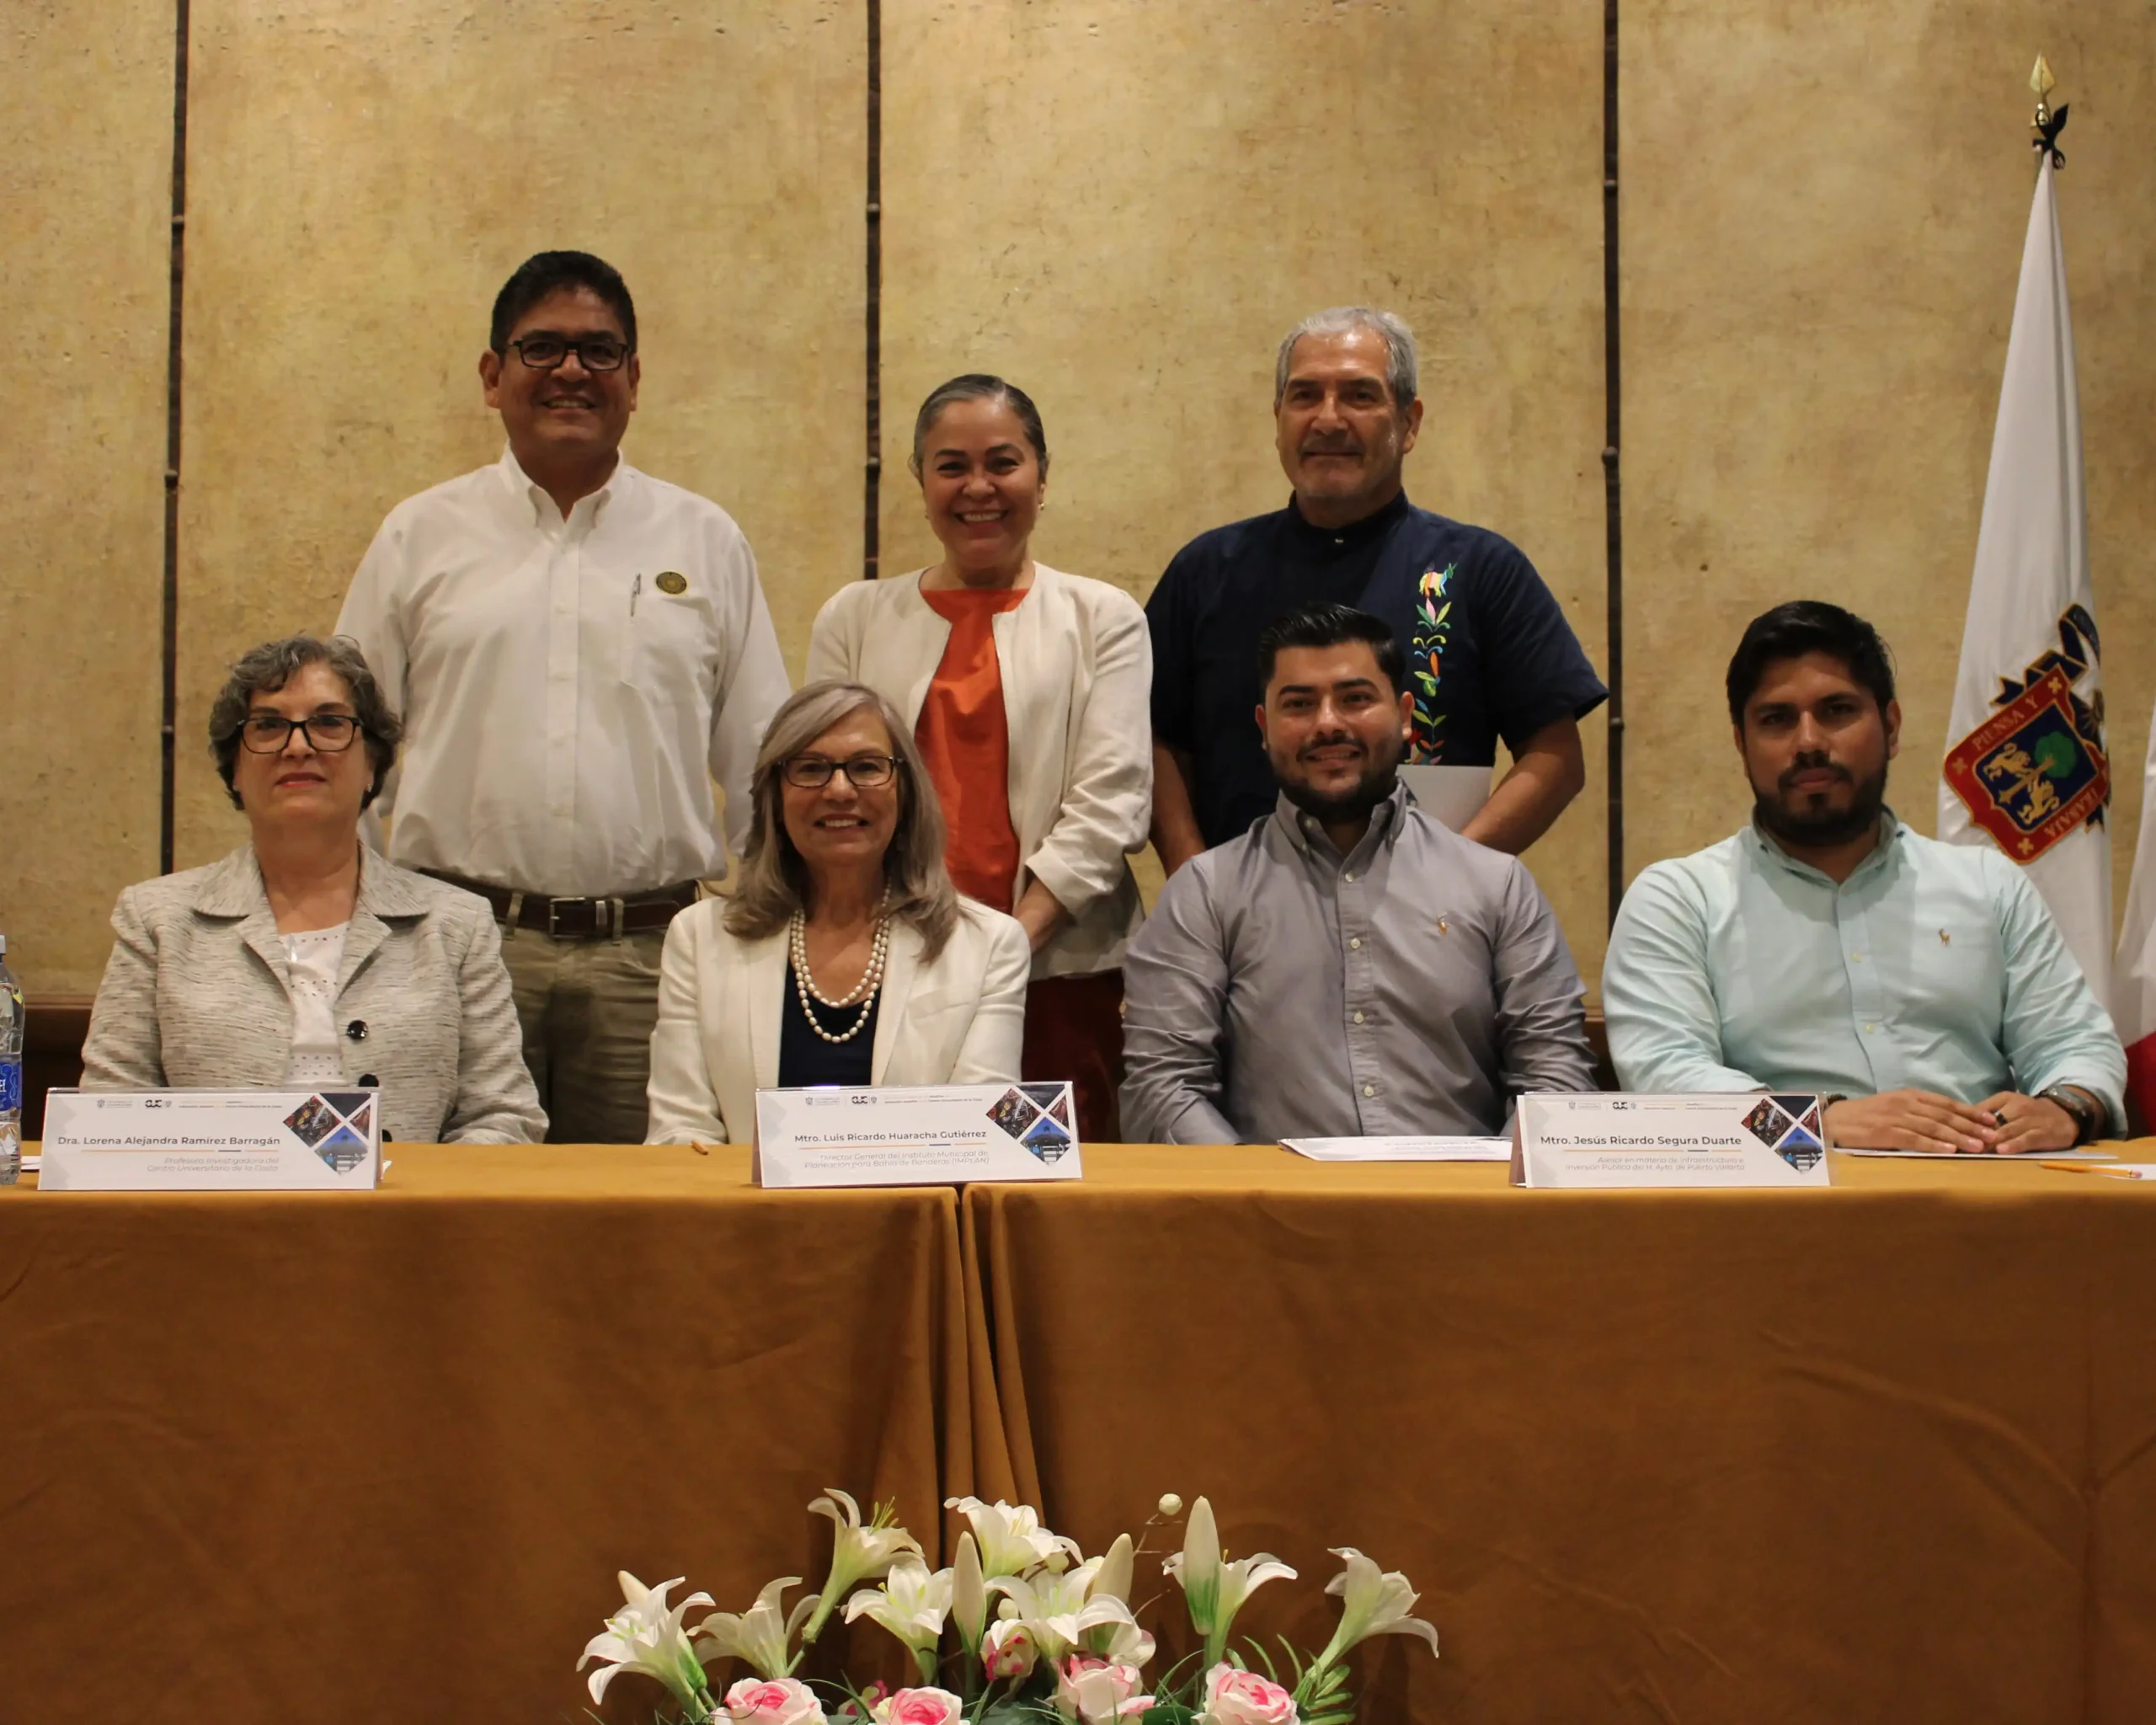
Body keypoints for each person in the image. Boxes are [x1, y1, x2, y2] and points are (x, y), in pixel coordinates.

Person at [335, 249, 789, 1145]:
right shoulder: (419, 535)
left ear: (634, 378)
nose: (572, 371)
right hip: (455, 946)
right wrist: (371, 933)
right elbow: (343, 747)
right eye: (541, 348)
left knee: (637, 1236)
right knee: (450, 1234)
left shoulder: (705, 538)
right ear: (492, 376)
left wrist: (766, 944)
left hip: (650, 963)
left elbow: (761, 764)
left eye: (599, 350)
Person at [1604, 601, 2124, 1152]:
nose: (1808, 742)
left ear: (1891, 727)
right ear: (1742, 745)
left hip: (1981, 1199)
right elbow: (1667, 1078)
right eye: (1777, 719)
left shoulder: (1988, 885)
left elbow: (2076, 1045)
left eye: (1836, 710)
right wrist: (1815, 1125)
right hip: (1780, 1208)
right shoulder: (1680, 900)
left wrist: (2063, 1110)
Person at [806, 375, 1149, 1143]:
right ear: (920, 481)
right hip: (886, 968)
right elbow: (824, 792)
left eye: (1004, 462)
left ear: (1042, 474)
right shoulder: (854, 618)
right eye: (951, 466)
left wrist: (1005, 946)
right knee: (897, 1177)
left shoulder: (1102, 619)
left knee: (1043, 1190)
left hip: (1058, 976)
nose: (979, 488)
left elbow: (1113, 804)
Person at [1145, 305, 1606, 873]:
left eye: (1360, 396)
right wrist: (1194, 882)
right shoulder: (1206, 572)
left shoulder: (1482, 569)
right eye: (1305, 395)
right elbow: (1155, 741)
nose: (1329, 419)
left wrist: (1452, 877)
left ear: (1409, 423)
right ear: (1278, 417)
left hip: (1430, 933)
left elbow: (1556, 758)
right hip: (1243, 930)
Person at [1118, 602, 1595, 1144]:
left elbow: (1556, 1083)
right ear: (1264, 727)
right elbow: (1162, 1089)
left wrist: (1480, 1206)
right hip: (1272, 1219)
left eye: (1355, 699)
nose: (1327, 724)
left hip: (1463, 1216)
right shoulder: (1205, 893)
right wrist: (1263, 1205)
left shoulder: (1498, 886)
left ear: (1406, 715)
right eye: (1298, 704)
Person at [80, 637, 545, 1146]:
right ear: (234, 767)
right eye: (269, 725)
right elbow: (112, 1109)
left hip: (406, 1218)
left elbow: (502, 1115)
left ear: (372, 765)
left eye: (328, 723)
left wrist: (419, 1208)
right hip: (214, 1219)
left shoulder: (457, 923)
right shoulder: (157, 919)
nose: (297, 746)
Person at [645, 682, 1031, 1144]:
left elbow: (983, 1135)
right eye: (811, 769)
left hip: (913, 1213)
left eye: (867, 767)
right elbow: (680, 1131)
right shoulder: (699, 937)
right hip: (744, 1213)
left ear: (905, 792)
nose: (840, 791)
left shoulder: (990, 945)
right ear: (775, 798)